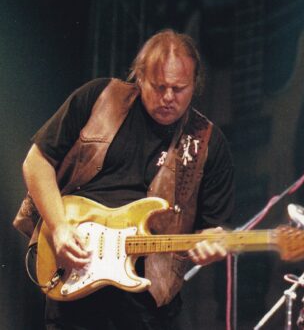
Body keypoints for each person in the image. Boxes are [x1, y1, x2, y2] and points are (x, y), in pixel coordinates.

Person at [14, 29, 235, 329]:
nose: (168, 97)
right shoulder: (99, 97)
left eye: (179, 88)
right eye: (158, 86)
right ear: (139, 77)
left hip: (147, 301)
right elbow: (36, 162)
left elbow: (212, 231)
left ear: (195, 85)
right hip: (76, 280)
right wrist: (61, 228)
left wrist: (211, 247)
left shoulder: (207, 143)